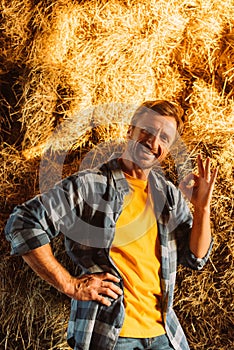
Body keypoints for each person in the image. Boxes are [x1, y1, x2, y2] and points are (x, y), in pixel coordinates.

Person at [5, 100, 218, 350]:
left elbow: (196, 258)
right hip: (112, 336)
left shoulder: (167, 195)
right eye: (147, 130)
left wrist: (202, 208)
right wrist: (69, 284)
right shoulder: (90, 185)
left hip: (165, 334)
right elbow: (23, 221)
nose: (153, 141)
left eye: (164, 137)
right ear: (130, 131)